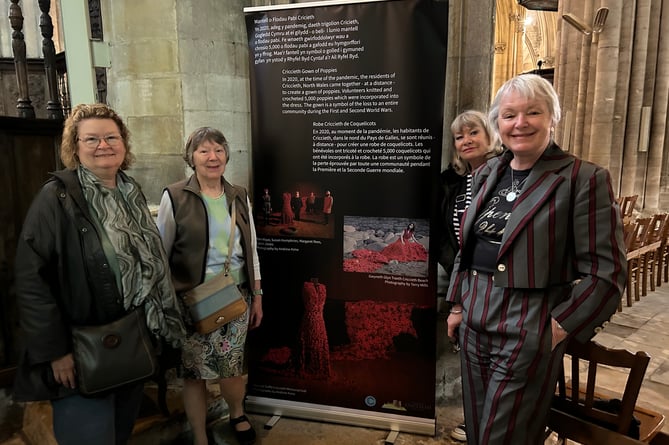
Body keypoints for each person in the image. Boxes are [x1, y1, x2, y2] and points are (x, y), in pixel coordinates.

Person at [446, 74, 627, 445]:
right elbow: (468, 247)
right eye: (509, 115)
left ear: (552, 118)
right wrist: (457, 305)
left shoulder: (582, 178)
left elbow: (606, 272)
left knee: (506, 435)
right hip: (475, 318)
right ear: (498, 123)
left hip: (529, 322)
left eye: (532, 112)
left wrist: (560, 325)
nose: (520, 123)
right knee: (478, 431)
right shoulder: (487, 173)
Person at [12, 103, 186, 445]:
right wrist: (55, 352)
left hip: (132, 338)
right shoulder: (56, 198)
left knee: (119, 433)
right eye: (91, 139)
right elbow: (31, 279)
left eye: (111, 137)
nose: (103, 145)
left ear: (124, 143)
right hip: (81, 349)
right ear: (75, 148)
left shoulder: (130, 191)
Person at [157, 127, 264, 445]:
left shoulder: (239, 195)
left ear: (227, 155)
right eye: (203, 150)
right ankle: (201, 435)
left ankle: (236, 413)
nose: (212, 157)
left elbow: (252, 249)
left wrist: (257, 295)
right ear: (191, 157)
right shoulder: (174, 196)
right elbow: (162, 254)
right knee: (193, 373)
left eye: (218, 149)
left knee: (232, 368)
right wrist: (166, 305)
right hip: (192, 302)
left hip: (235, 297)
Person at [438, 110, 502, 442]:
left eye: (473, 132)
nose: (466, 140)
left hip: (498, 284)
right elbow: (452, 234)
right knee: (472, 357)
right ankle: (475, 423)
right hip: (464, 276)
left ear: (490, 134)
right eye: (460, 136)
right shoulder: (454, 180)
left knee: (495, 361)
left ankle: (489, 426)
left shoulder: (506, 174)